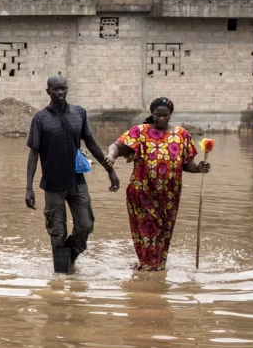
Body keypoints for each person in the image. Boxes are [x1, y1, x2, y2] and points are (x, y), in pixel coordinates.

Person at [25, 75, 119, 272]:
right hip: (52, 184)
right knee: (57, 232)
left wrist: (110, 170)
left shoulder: (79, 113)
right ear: (47, 91)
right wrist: (29, 188)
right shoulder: (40, 119)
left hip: (77, 181)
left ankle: (70, 258)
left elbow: (91, 143)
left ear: (67, 89)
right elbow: (34, 154)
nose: (59, 93)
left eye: (63, 89)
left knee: (85, 225)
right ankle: (61, 279)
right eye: (55, 89)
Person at [107, 97, 211, 272]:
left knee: (164, 230)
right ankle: (147, 265)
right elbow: (116, 146)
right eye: (157, 115)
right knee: (146, 228)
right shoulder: (140, 132)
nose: (161, 119)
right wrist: (110, 156)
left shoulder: (181, 135)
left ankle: (159, 266)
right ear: (152, 114)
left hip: (170, 196)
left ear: (171, 115)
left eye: (165, 115)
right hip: (142, 192)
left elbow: (187, 165)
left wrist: (200, 168)